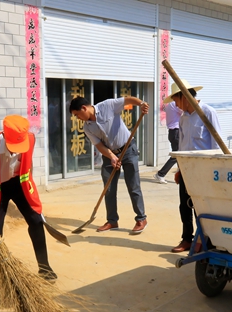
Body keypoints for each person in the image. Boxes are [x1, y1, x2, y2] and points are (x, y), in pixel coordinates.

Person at [0, 115, 57, 288]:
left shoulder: (29, 140)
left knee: (36, 221)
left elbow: (28, 165)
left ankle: (44, 267)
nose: (15, 151)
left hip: (20, 185)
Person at [69, 96, 149, 234]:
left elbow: (127, 100)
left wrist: (141, 104)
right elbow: (99, 145)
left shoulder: (108, 105)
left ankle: (141, 219)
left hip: (128, 149)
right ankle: (112, 221)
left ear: (84, 108)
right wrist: (112, 157)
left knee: (133, 185)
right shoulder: (87, 127)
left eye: (77, 114)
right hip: (109, 154)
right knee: (109, 188)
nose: (78, 118)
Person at [164, 81, 221, 253]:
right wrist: (179, 169)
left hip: (204, 170)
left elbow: (216, 144)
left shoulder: (207, 113)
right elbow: (182, 146)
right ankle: (187, 239)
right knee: (185, 205)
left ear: (184, 97)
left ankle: (204, 239)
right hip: (187, 170)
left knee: (201, 206)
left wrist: (214, 171)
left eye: (176, 100)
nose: (175, 105)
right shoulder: (183, 118)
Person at [154, 101, 183, 184]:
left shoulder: (170, 105)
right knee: (176, 155)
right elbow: (186, 111)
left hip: (173, 132)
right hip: (176, 132)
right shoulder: (175, 104)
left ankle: (181, 176)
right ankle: (161, 174)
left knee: (179, 156)